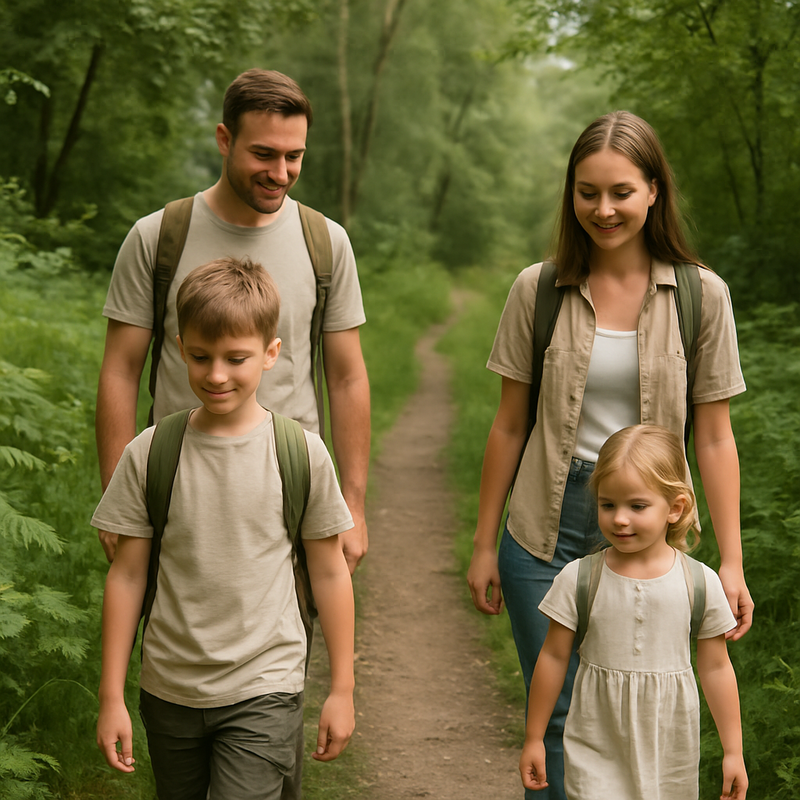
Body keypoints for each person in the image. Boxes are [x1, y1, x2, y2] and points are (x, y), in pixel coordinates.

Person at [467, 111, 753, 800]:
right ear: (571, 195)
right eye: (587, 191)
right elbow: (509, 427)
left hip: (650, 529)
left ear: (654, 191)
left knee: (635, 718)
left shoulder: (699, 295)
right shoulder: (536, 291)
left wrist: (733, 559)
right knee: (556, 715)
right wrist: (483, 544)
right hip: (543, 528)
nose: (604, 208)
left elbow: (713, 435)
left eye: (621, 191)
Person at [93, 257, 355, 799]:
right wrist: (111, 695)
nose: (216, 374)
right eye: (199, 356)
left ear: (271, 354)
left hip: (266, 684)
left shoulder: (299, 452)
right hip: (169, 689)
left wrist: (343, 689)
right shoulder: (150, 452)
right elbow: (126, 576)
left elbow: (329, 573)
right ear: (178, 346)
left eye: (236, 358)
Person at [96, 68, 370, 573]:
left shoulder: (326, 244)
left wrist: (352, 502)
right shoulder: (158, 237)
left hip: (291, 494)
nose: (281, 172)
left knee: (286, 647)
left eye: (295, 157)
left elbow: (348, 377)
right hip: (175, 491)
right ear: (225, 140)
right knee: (173, 643)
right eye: (264, 154)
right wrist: (120, 497)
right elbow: (120, 369)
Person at [520, 424, 747, 800]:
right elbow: (554, 656)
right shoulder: (580, 578)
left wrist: (733, 751)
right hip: (596, 739)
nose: (620, 518)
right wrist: (534, 738)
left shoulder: (699, 584)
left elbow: (716, 667)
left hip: (669, 748)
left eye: (637, 506)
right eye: (608, 505)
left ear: (676, 508)